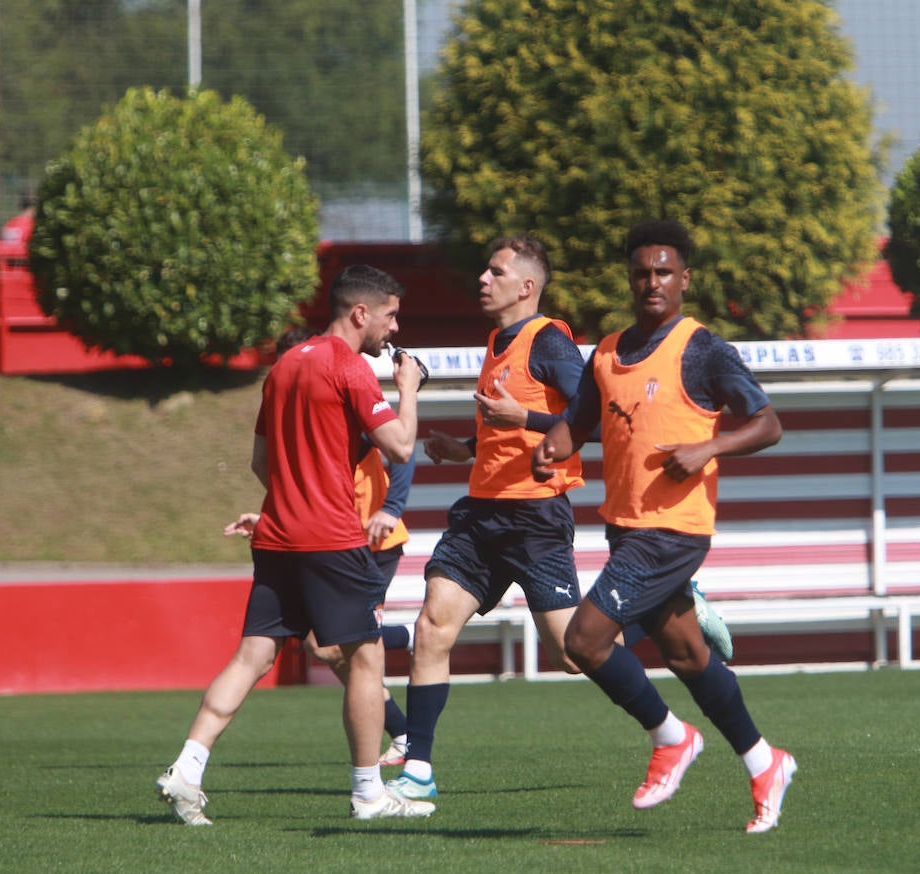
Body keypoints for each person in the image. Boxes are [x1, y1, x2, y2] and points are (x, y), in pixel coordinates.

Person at [531, 219, 796, 834]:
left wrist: (710, 449)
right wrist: (554, 445)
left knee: (584, 640)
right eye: (641, 273)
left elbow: (768, 424)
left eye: (663, 272)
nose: (652, 281)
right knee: (687, 655)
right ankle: (765, 762)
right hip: (627, 529)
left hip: (673, 531)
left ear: (684, 279)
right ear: (630, 279)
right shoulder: (606, 351)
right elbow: (581, 421)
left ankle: (671, 738)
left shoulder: (702, 348)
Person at [154, 264, 432, 825]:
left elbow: (260, 460)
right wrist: (407, 389)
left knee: (252, 654)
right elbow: (400, 446)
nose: (393, 329)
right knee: (366, 657)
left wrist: (293, 500)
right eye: (390, 315)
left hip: (278, 536)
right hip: (330, 539)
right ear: (360, 313)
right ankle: (369, 794)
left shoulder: (283, 366)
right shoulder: (350, 368)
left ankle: (188, 767)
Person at [385, 234, 588, 802]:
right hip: (481, 516)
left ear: (526, 287)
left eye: (495, 272)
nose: (482, 278)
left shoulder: (549, 341)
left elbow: (586, 417)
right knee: (432, 629)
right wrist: (469, 447)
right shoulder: (499, 340)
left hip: (536, 518)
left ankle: (670, 603)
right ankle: (418, 770)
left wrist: (519, 415)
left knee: (572, 656)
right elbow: (510, 424)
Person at [224, 325, 416, 767]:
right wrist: (279, 516)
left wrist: (391, 508)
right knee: (323, 645)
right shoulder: (299, 404)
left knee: (339, 646)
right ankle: (401, 722)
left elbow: (404, 453)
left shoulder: (338, 395)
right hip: (327, 539)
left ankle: (399, 720)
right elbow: (280, 472)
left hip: (370, 539)